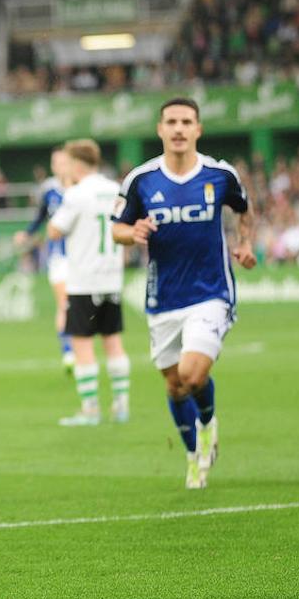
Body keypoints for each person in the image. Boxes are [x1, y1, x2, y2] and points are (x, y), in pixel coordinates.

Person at [112, 98, 256, 489]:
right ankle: (194, 456)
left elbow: (244, 208)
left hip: (211, 292)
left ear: (198, 129)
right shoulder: (140, 180)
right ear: (160, 129)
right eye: (171, 122)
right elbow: (116, 229)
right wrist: (133, 232)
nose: (178, 129)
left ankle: (208, 423)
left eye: (186, 122)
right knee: (174, 384)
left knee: (192, 375)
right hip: (163, 298)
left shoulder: (219, 174)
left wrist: (244, 243)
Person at [46, 139, 130, 426]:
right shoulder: (115, 189)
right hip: (112, 278)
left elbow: (54, 231)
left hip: (83, 280)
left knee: (82, 345)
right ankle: (121, 406)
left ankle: (90, 409)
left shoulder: (76, 194)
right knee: (114, 343)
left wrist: (68, 189)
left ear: (77, 165)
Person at [14, 147, 73, 370]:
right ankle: (68, 352)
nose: (59, 166)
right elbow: (40, 217)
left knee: (80, 307)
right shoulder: (48, 190)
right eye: (55, 162)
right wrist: (27, 233)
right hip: (59, 255)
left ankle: (78, 347)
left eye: (63, 162)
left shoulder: (81, 187)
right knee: (64, 303)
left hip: (83, 256)